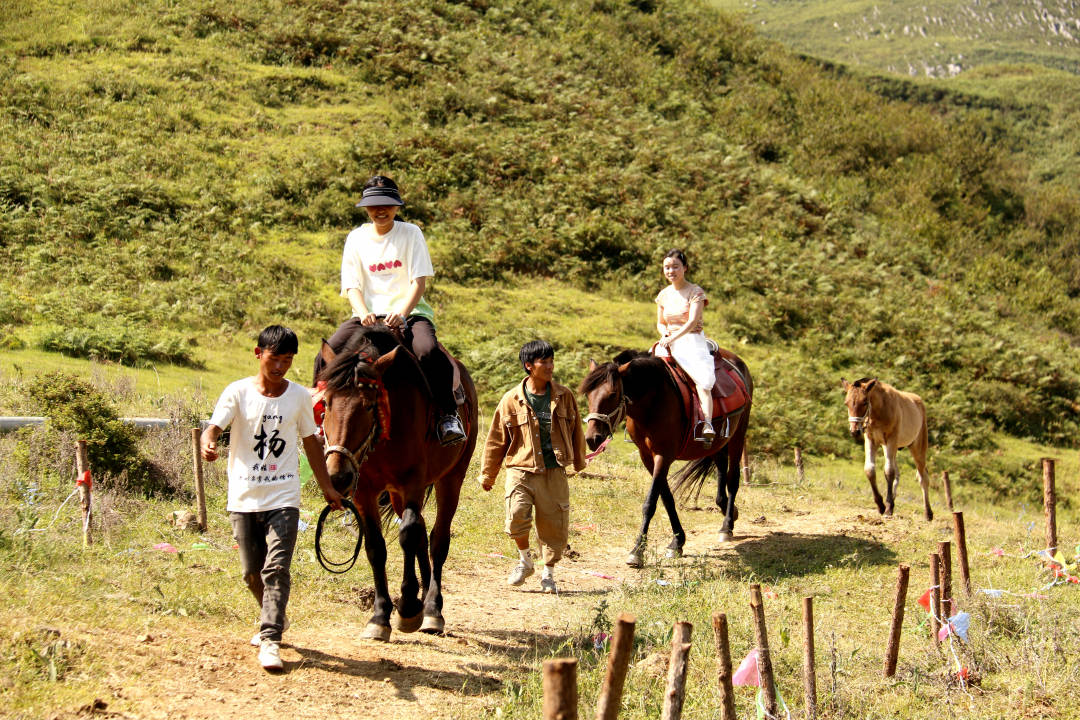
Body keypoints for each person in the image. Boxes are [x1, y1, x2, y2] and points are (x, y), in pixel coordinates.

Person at [201, 325, 344, 671]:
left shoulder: (297, 397)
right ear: (257, 354)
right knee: (252, 573)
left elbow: (311, 442)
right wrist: (208, 440)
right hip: (245, 496)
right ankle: (274, 613)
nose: (281, 366)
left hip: (284, 496)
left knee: (276, 568)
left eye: (288, 360)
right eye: (274, 358)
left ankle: (270, 638)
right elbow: (214, 426)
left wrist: (327, 486)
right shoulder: (237, 392)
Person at [316, 175, 465, 446]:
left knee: (428, 351)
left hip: (410, 313)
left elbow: (418, 282)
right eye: (373, 205)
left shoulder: (411, 233)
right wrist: (362, 312)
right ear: (365, 208)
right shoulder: (356, 238)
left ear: (396, 206)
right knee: (326, 354)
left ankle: (448, 415)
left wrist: (403, 313)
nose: (380, 210)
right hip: (366, 317)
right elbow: (352, 285)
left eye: (386, 204)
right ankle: (319, 418)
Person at [479, 340, 588, 594]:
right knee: (516, 517)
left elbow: (576, 431)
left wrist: (580, 461)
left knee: (553, 526)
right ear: (529, 366)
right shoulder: (510, 400)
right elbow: (496, 438)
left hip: (554, 471)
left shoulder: (564, 396)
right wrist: (488, 473)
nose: (550, 366)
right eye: (544, 362)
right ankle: (525, 561)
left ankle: (548, 574)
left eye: (551, 361)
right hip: (520, 470)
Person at [654, 249, 717, 442]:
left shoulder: (695, 292)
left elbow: (692, 322)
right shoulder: (663, 295)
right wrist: (664, 333)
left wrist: (673, 338)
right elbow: (660, 322)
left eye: (675, 266)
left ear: (685, 268)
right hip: (668, 339)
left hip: (691, 340)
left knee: (702, 381)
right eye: (667, 267)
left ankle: (708, 423)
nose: (671, 270)